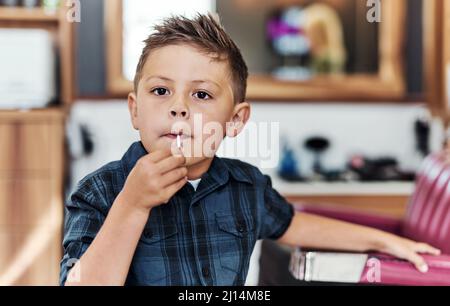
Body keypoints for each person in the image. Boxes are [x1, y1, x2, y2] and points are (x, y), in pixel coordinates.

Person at [61, 14, 440, 286]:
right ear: (135, 110)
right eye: (161, 91)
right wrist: (132, 204)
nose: (179, 107)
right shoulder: (99, 192)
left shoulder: (246, 186)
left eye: (201, 94)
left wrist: (385, 241)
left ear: (235, 121)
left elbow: (295, 224)